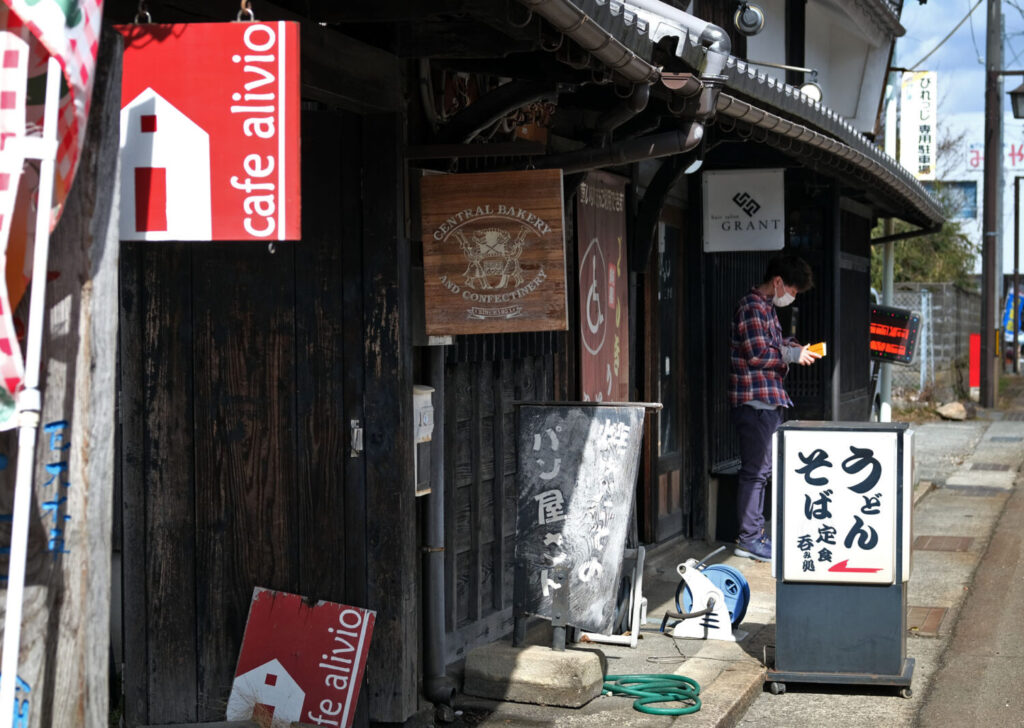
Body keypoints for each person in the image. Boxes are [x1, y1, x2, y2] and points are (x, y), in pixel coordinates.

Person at [729, 253, 820, 562]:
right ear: (778, 282)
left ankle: (754, 536)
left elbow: (770, 347)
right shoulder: (752, 306)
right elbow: (756, 355)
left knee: (761, 471)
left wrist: (791, 347)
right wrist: (789, 356)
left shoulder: (765, 308)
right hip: (754, 401)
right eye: (792, 291)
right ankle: (749, 539)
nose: (790, 298)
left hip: (767, 400)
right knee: (756, 472)